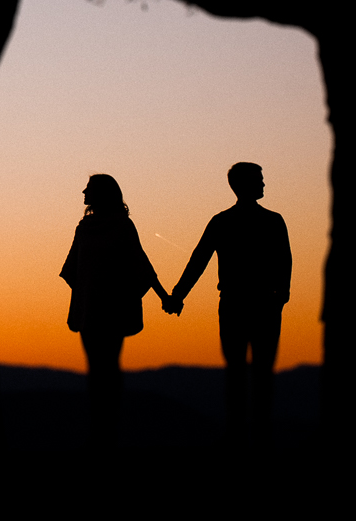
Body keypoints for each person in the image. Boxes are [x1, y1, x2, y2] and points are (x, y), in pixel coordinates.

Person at [166, 161, 292, 438]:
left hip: (245, 304)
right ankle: (250, 432)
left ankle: (244, 431)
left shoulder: (227, 221)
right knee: (255, 371)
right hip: (250, 304)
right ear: (243, 184)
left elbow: (198, 260)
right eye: (258, 179)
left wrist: (177, 296)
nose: (263, 184)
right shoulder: (266, 220)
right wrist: (280, 296)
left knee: (242, 371)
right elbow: (198, 260)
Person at [60, 173, 173, 439]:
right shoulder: (83, 228)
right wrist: (89, 292)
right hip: (90, 311)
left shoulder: (123, 226)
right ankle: (99, 427)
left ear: (101, 193)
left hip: (109, 312)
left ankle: (108, 427)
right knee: (97, 368)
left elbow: (141, 264)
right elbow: (73, 270)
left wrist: (163, 296)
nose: (84, 191)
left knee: (108, 366)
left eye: (89, 188)